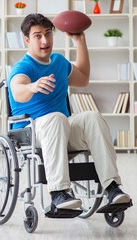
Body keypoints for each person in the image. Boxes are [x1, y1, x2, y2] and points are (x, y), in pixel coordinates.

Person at [8, 13, 131, 210]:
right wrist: (32, 87)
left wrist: (80, 41)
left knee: (92, 116)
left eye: (48, 34)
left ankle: (112, 187)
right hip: (32, 132)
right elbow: (17, 89)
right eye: (38, 35)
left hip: (61, 128)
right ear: (27, 40)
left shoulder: (58, 61)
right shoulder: (23, 67)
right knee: (56, 118)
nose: (45, 40)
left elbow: (82, 79)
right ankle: (59, 193)